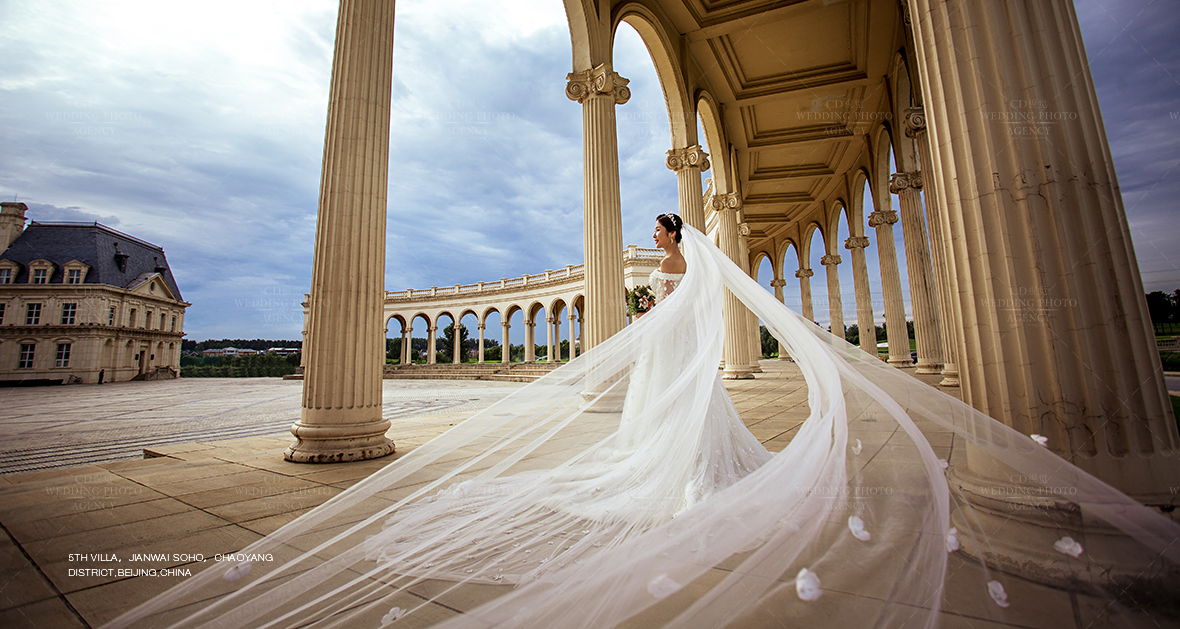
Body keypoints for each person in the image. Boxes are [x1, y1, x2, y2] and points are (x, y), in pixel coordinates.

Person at [108, 215, 1179, 629]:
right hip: (681, 360)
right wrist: (656, 316)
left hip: (680, 357)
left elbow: (682, 304)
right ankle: (698, 469)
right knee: (683, 428)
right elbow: (676, 306)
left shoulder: (681, 270)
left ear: (671, 237)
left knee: (678, 429)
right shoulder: (674, 272)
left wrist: (657, 314)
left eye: (663, 231)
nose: (661, 238)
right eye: (665, 235)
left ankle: (693, 471)